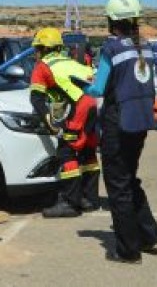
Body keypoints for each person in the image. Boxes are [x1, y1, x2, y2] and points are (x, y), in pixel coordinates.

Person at [82, 0, 157, 264]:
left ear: (112, 19)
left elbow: (98, 88)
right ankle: (149, 235)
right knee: (130, 178)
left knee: (117, 185)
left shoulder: (111, 47)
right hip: (140, 122)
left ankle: (128, 250)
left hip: (119, 122)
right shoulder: (146, 45)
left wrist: (82, 85)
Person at [29, 27, 100, 218]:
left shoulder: (43, 66)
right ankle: (90, 199)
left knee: (66, 151)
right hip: (96, 105)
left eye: (37, 49)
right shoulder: (68, 61)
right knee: (87, 151)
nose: (35, 53)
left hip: (80, 107)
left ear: (43, 49)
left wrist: (50, 123)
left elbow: (36, 99)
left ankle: (70, 203)